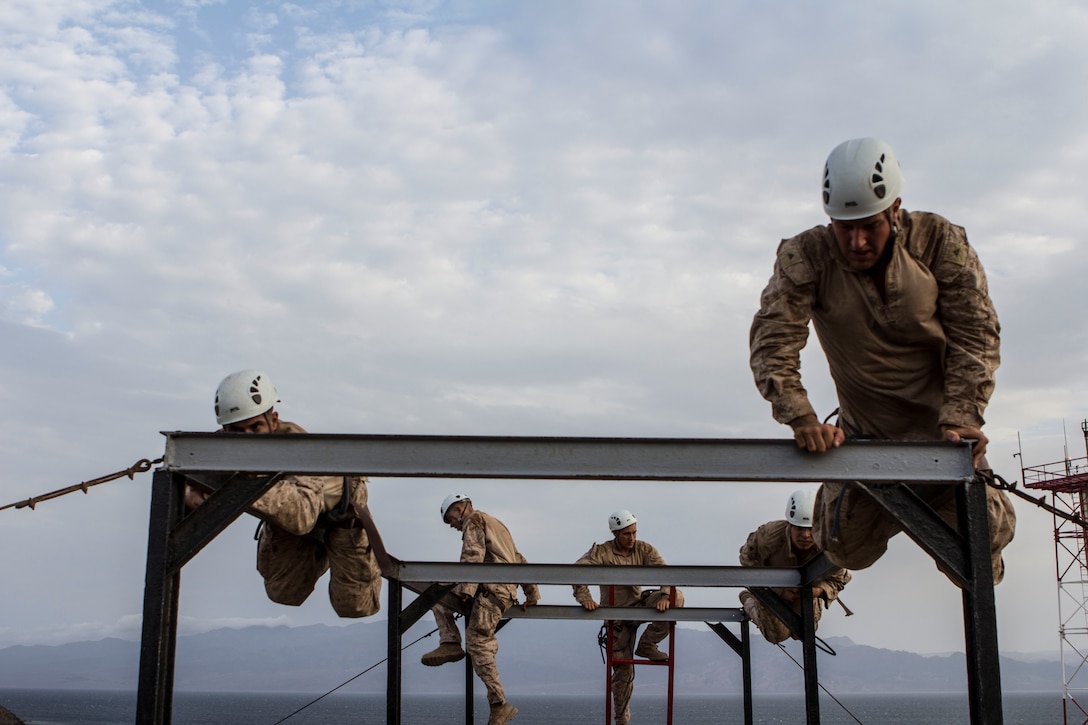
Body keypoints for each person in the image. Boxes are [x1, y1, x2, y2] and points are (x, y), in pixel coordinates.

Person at [749, 138, 1016, 583]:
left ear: (894, 210)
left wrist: (964, 415)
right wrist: (801, 417)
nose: (856, 241)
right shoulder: (809, 256)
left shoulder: (937, 242)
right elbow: (773, 340)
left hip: (942, 436)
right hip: (866, 440)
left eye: (869, 226)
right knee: (843, 547)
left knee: (978, 560)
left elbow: (977, 333)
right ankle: (882, 511)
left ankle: (947, 515)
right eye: (843, 226)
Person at [186, 370, 381, 617]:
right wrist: (191, 488)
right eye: (237, 430)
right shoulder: (222, 449)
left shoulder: (299, 448)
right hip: (293, 512)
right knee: (283, 592)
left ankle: (329, 549)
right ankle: (316, 553)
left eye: (255, 426)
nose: (247, 439)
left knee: (355, 606)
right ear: (225, 431)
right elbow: (190, 470)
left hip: (339, 513)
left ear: (273, 421)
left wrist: (243, 483)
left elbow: (301, 515)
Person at [419, 493, 539, 725]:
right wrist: (531, 592)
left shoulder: (473, 520)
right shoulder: (497, 525)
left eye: (450, 520)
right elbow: (519, 559)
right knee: (437, 595)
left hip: (492, 590)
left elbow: (473, 555)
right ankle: (450, 643)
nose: (452, 526)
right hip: (500, 588)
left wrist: (467, 588)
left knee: (477, 643)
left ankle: (499, 705)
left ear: (459, 508)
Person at [572, 510, 684, 725]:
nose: (631, 538)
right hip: (617, 618)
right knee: (623, 674)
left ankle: (647, 645)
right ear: (615, 534)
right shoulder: (602, 552)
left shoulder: (644, 549)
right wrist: (585, 597)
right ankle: (621, 721)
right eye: (626, 534)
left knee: (676, 597)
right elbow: (578, 570)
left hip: (639, 606)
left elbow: (665, 573)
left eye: (634, 532)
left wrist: (664, 596)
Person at [738, 489, 851, 643]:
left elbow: (838, 580)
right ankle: (749, 601)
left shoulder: (829, 545)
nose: (805, 535)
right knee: (777, 635)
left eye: (810, 529)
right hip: (770, 590)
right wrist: (777, 591)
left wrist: (817, 591)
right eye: (799, 528)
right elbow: (747, 563)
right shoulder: (768, 537)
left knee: (804, 633)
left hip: (806, 594)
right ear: (790, 525)